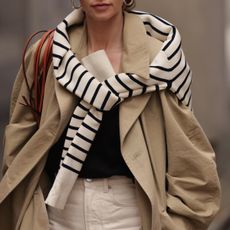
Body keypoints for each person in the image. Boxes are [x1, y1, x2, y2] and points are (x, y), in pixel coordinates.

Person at [0, 0, 221, 229]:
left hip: (133, 217)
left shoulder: (161, 61)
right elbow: (19, 150)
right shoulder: (49, 54)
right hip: (57, 215)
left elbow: (191, 166)